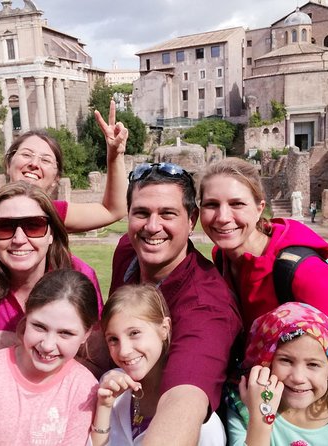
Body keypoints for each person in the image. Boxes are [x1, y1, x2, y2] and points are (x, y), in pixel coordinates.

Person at [198, 157, 328, 445]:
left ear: (260, 207)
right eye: (211, 205)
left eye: (237, 204)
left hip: (315, 422)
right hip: (259, 415)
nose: (223, 217)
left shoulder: (305, 274)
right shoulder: (223, 258)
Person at [109, 162, 242, 446]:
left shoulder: (206, 304)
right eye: (141, 213)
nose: (152, 227)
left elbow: (184, 398)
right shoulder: (127, 253)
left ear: (191, 219)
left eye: (167, 214)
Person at [0, 100, 128, 259]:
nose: (34, 164)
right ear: (8, 163)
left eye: (46, 160)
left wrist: (115, 155)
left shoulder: (54, 214)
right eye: (26, 154)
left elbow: (114, 210)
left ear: (56, 178)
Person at [0, 269, 99, 445]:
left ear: (86, 334)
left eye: (65, 333)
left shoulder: (84, 388)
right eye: (39, 327)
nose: (48, 345)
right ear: (26, 318)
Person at [0, 181, 103, 359]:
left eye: (34, 226)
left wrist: (21, 349)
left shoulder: (80, 276)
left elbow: (97, 363)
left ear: (52, 234)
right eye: (4, 227)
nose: (19, 239)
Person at [91, 284, 226, 446]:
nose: (124, 351)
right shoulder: (112, 390)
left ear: (164, 328)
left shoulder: (202, 422)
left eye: (134, 333)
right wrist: (104, 407)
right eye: (113, 339)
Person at [226, 302, 328, 446]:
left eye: (313, 364)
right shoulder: (244, 409)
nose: (298, 378)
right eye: (286, 360)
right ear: (265, 362)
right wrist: (261, 417)